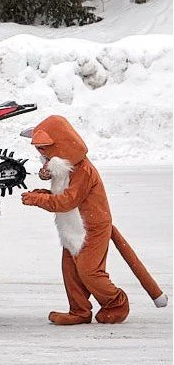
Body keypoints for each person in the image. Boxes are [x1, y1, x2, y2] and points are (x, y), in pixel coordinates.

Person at [20, 114, 129, 326]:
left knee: (89, 271)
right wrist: (43, 192)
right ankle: (79, 311)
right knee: (70, 272)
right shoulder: (66, 167)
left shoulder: (84, 170)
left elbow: (68, 201)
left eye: (43, 149)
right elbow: (63, 196)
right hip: (72, 226)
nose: (41, 155)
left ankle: (117, 303)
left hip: (92, 228)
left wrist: (38, 199)